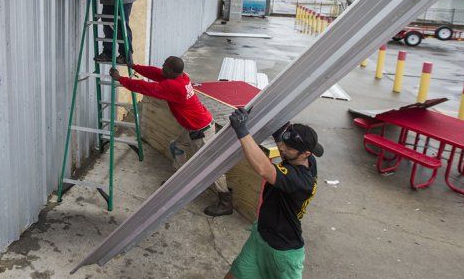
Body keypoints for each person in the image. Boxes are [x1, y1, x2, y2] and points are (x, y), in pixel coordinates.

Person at [110, 56, 233, 216]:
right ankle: (178, 183)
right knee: (176, 147)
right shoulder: (181, 77)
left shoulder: (174, 87)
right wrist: (135, 66)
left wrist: (121, 79)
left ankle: (225, 202)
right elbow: (155, 73)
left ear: (172, 71)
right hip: (194, 127)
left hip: (201, 132)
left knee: (211, 167)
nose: (162, 67)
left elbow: (145, 87)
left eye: (165, 65)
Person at [225, 108, 323, 279]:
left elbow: (264, 169)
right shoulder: (308, 158)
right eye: (283, 142)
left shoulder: (299, 180)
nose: (280, 147)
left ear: (305, 153)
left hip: (283, 253)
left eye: (288, 147)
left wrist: (242, 130)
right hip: (260, 237)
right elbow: (285, 139)